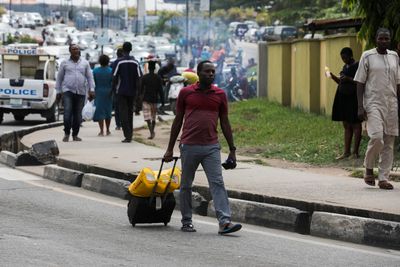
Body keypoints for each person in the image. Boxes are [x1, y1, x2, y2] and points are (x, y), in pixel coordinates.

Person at [163, 60, 242, 235]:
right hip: (189, 146)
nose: (211, 74)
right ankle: (187, 221)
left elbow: (225, 123)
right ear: (199, 73)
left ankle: (225, 222)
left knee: (217, 183)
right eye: (207, 71)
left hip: (211, 147)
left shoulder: (220, 94)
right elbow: (178, 121)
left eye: (213, 71)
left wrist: (232, 149)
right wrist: (170, 149)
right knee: (186, 185)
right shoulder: (186, 93)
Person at [354, 28, 400, 190]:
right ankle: (368, 167)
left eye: (386, 39)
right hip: (373, 103)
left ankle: (383, 178)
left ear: (390, 40)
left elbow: (398, 82)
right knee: (377, 137)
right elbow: (359, 81)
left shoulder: (394, 56)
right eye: (381, 38)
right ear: (376, 39)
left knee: (389, 142)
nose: (383, 41)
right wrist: (360, 106)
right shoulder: (367, 56)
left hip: (391, 104)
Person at [56, 44, 95, 142]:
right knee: (67, 113)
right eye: (74, 49)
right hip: (68, 91)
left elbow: (90, 77)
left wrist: (92, 89)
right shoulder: (64, 63)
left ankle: (75, 135)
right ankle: (66, 133)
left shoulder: (85, 63)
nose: (76, 50)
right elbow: (59, 78)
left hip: (81, 92)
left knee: (78, 116)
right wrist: (58, 91)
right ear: (70, 51)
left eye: (77, 49)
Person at [328, 47, 361, 160]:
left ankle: (355, 152)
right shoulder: (345, 67)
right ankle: (346, 152)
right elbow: (341, 82)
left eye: (345, 57)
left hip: (353, 99)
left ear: (350, 56)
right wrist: (333, 77)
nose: (343, 60)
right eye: (342, 58)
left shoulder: (357, 66)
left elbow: (360, 82)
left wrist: (348, 78)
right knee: (346, 125)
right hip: (343, 98)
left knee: (356, 125)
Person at [112, 42, 143, 143]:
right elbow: (139, 78)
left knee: (123, 113)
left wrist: (113, 89)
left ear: (123, 49)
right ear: (131, 49)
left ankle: (127, 135)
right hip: (132, 92)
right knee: (130, 113)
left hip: (121, 91)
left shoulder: (119, 62)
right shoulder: (135, 62)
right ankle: (130, 134)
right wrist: (139, 93)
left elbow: (114, 77)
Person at [139, 61, 164, 139]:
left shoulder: (144, 77)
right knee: (153, 117)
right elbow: (161, 90)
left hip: (146, 99)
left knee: (147, 118)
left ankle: (151, 132)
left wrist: (138, 98)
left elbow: (140, 89)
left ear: (149, 68)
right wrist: (162, 101)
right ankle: (152, 131)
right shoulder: (158, 78)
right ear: (155, 69)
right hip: (154, 99)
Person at [93, 55, 113, 136]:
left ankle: (101, 131)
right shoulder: (111, 71)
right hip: (109, 92)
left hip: (99, 92)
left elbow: (93, 82)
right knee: (108, 111)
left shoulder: (95, 71)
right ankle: (108, 130)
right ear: (108, 61)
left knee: (100, 111)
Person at [111, 48, 123, 130]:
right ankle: (123, 123)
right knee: (124, 107)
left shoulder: (114, 63)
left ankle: (118, 124)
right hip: (125, 88)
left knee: (117, 108)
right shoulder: (125, 63)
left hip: (116, 88)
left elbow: (112, 77)